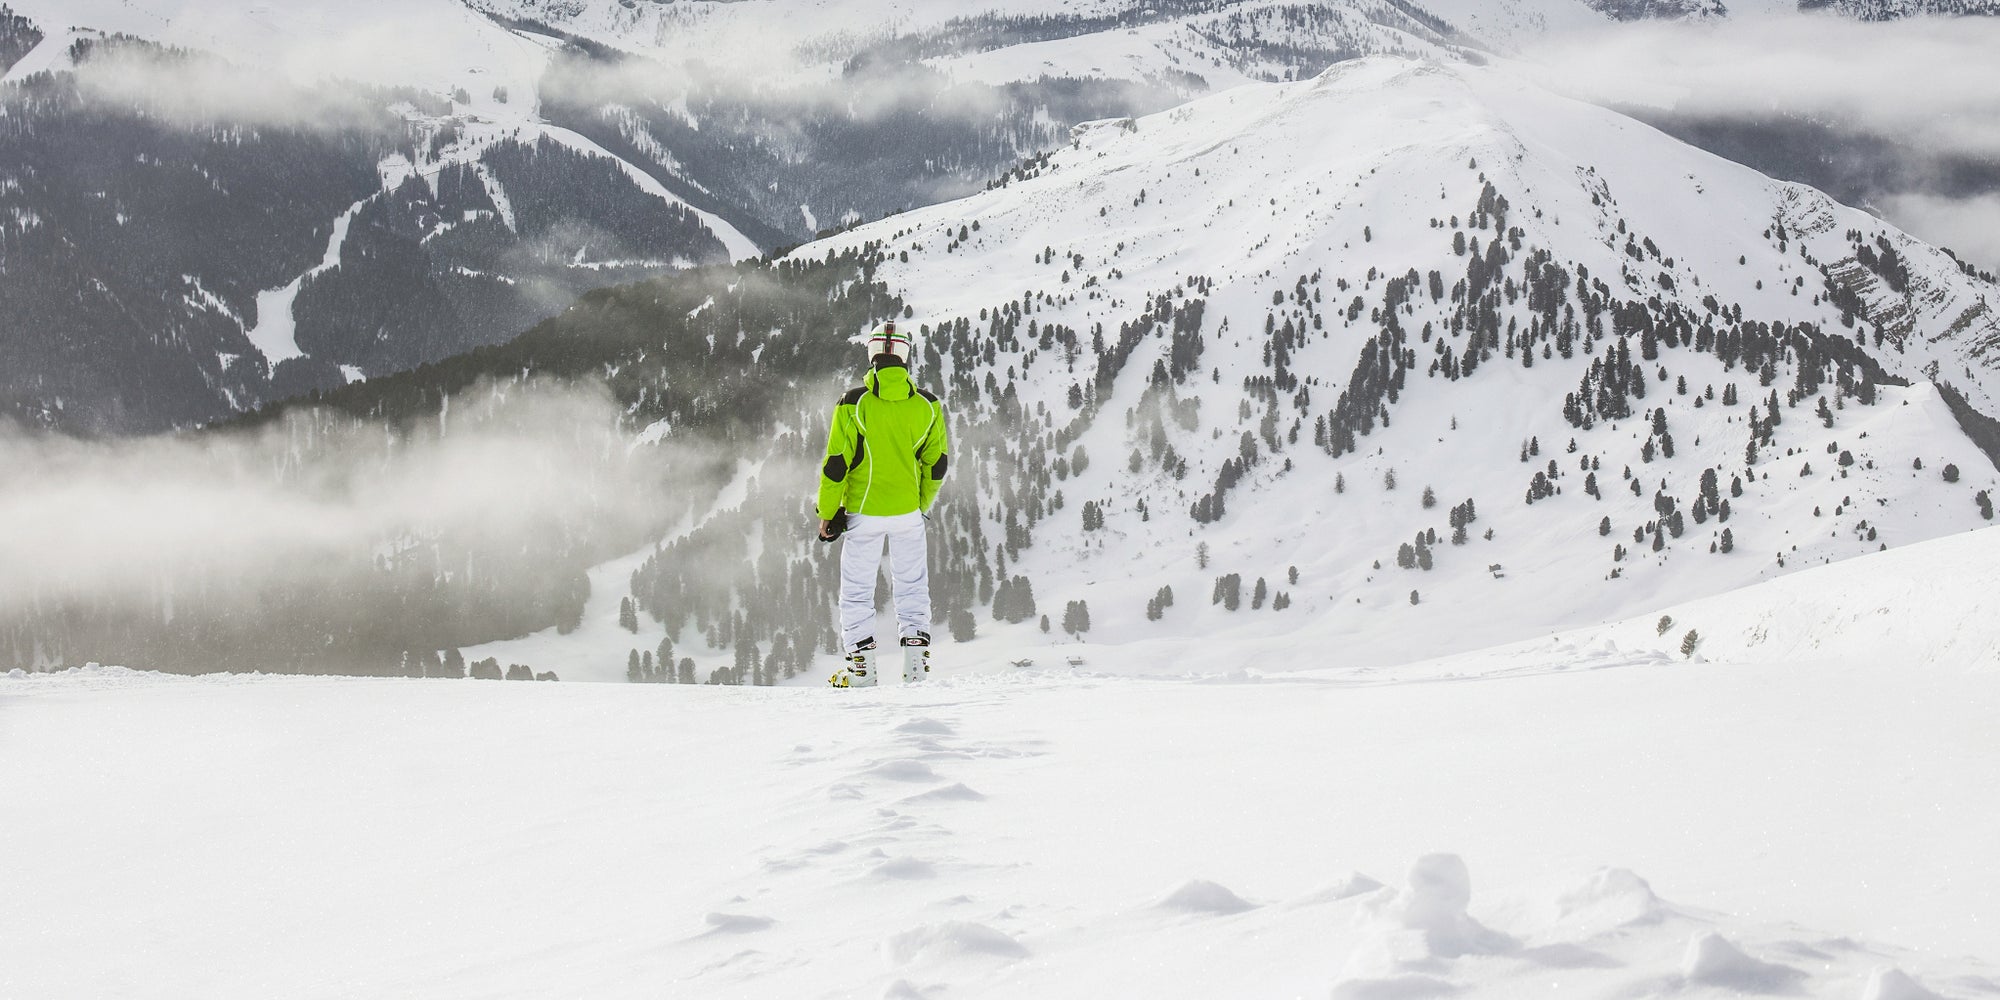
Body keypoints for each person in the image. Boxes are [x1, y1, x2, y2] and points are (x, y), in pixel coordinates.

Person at [815, 321, 950, 688]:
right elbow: (936, 463)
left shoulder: (853, 403)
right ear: (905, 356)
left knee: (857, 591)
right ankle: (917, 669)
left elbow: (836, 464)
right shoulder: (928, 405)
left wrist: (828, 513)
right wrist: (919, 504)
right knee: (912, 587)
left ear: (872, 354)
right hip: (908, 512)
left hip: (863, 512)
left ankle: (862, 672)